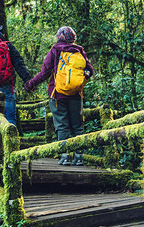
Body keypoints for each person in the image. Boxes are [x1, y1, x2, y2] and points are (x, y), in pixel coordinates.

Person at [24, 26, 93, 166]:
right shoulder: (79, 51)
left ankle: (65, 156)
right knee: (77, 126)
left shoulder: (55, 50)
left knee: (62, 125)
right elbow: (90, 71)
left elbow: (44, 73)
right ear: (73, 38)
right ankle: (79, 157)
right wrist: (79, 83)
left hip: (57, 94)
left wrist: (30, 84)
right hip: (75, 95)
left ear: (59, 37)